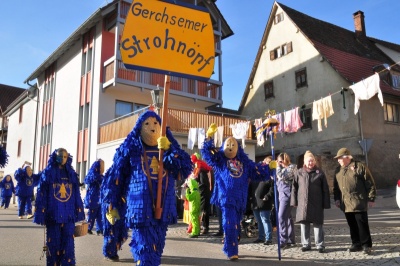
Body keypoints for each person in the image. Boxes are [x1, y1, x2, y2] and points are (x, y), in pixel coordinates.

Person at [102, 109, 192, 265]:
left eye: (156, 123)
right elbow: (116, 176)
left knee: (157, 245)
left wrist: (171, 149)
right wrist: (112, 202)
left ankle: (142, 259)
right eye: (147, 123)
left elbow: (185, 169)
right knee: (146, 246)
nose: (152, 127)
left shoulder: (166, 149)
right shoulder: (131, 150)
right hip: (140, 207)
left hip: (164, 207)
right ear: (139, 128)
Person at [201, 123, 274, 261]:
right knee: (229, 223)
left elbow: (257, 171)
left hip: (240, 200)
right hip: (226, 198)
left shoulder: (244, 164)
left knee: (235, 224)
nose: (230, 147)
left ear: (238, 148)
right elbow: (207, 154)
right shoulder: (220, 161)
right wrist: (209, 137)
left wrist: (269, 167)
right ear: (223, 147)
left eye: (233, 145)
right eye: (228, 145)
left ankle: (231, 243)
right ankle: (231, 250)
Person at [33, 148, 85, 266]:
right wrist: (41, 212)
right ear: (54, 157)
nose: (62, 159)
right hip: (53, 214)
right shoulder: (48, 172)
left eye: (65, 157)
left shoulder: (71, 174)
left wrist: (79, 211)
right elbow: (42, 194)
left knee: (68, 242)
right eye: (60, 156)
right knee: (54, 242)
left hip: (68, 215)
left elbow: (76, 194)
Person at [333, 147, 376, 255]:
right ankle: (356, 244)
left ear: (347, 157)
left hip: (359, 201)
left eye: (339, 158)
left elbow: (370, 183)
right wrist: (337, 199)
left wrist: (371, 198)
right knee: (352, 224)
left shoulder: (359, 167)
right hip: (346, 203)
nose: (338, 160)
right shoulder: (338, 170)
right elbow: (336, 188)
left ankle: (366, 245)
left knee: (362, 224)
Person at [291, 150, 331, 253]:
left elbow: (325, 189)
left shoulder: (320, 173)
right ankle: (306, 244)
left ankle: (320, 245)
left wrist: (326, 203)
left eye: (312, 160)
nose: (311, 163)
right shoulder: (299, 172)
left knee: (318, 225)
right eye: (309, 161)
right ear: (305, 162)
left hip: (317, 203)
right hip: (303, 203)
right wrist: (294, 201)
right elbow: (294, 188)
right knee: (304, 224)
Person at [101, 167, 129, 262]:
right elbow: (108, 189)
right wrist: (110, 203)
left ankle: (114, 250)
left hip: (122, 205)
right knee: (111, 230)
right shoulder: (114, 173)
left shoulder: (127, 173)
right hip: (112, 206)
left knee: (122, 230)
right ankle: (109, 252)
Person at [276, 152, 297, 249]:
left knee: (281, 216)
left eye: (280, 160)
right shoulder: (281, 169)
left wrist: (278, 167)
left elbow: (283, 176)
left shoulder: (292, 167)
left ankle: (283, 239)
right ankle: (291, 239)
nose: (279, 162)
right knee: (288, 217)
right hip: (281, 194)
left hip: (287, 195)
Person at [190, 152, 213, 234]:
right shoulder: (199, 168)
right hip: (202, 192)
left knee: (204, 210)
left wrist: (197, 189)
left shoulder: (201, 170)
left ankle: (205, 227)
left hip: (203, 193)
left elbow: (203, 184)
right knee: (202, 210)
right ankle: (200, 226)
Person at [249, 176, 274, 245]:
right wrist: (250, 199)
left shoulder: (269, 178)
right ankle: (261, 237)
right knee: (259, 221)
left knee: (265, 220)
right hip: (255, 203)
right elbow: (250, 189)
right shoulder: (254, 178)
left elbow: (272, 189)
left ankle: (268, 238)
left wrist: (267, 196)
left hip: (264, 203)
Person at [84, 159, 104, 235]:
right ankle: (88, 228)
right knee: (92, 214)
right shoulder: (93, 175)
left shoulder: (101, 176)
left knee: (100, 214)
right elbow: (87, 180)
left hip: (99, 198)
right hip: (93, 198)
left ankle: (100, 229)